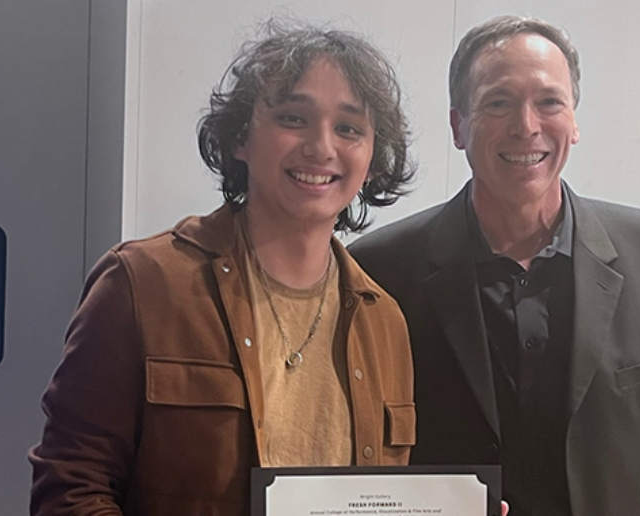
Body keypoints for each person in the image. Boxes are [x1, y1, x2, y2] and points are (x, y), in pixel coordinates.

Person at [350, 15, 640, 516]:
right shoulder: (379, 270)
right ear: (458, 126)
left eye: (549, 102)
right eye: (498, 103)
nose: (526, 126)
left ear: (574, 120)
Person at [29, 22, 416, 516]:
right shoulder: (141, 283)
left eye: (348, 128)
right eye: (293, 118)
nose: (322, 147)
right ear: (240, 138)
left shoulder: (385, 322)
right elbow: (71, 488)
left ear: (371, 158)